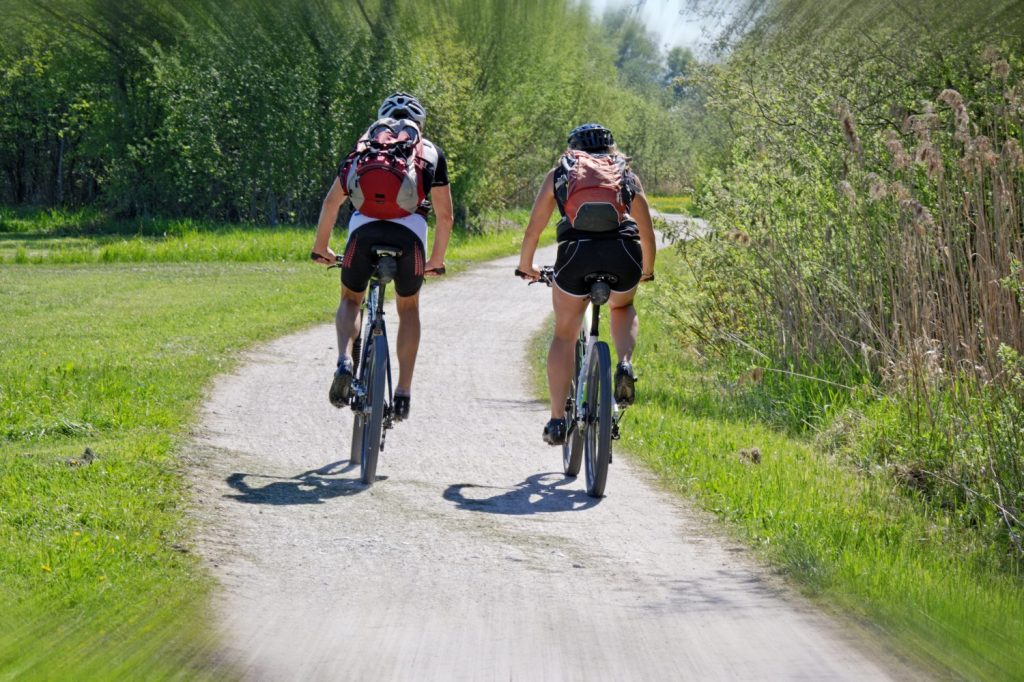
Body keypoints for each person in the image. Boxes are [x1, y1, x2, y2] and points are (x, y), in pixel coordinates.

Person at [311, 92, 453, 421]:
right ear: (419, 125)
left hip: (364, 233)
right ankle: (403, 393)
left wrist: (321, 248)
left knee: (351, 298)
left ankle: (345, 360)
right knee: (408, 307)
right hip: (410, 238)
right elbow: (445, 217)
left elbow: (331, 203)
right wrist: (436, 260)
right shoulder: (430, 151)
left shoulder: (366, 147)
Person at [517, 123, 655, 445]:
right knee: (622, 306)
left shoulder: (560, 174)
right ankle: (624, 364)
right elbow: (647, 231)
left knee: (565, 334)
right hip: (623, 254)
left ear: (573, 149)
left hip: (576, 256)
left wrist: (526, 266)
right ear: (611, 149)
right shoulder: (626, 174)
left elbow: (533, 229)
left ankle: (556, 421)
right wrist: (646, 270)